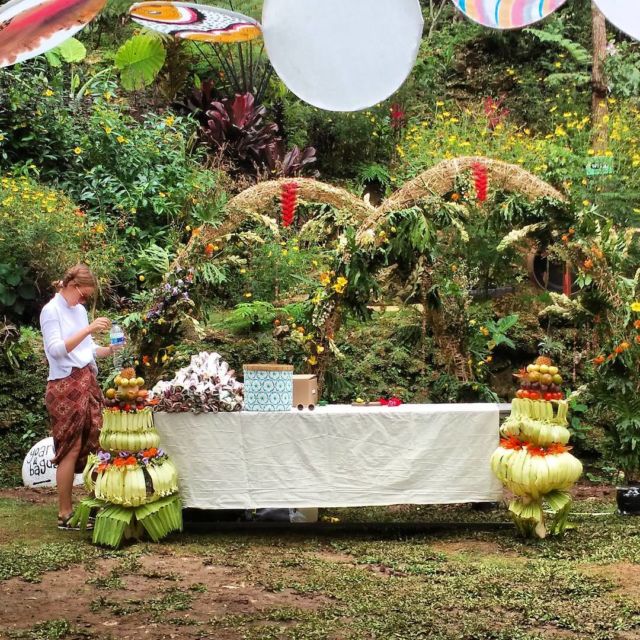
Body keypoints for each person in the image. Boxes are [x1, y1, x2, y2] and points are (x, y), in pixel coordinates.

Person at [39, 264, 118, 530]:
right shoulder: (51, 311)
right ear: (72, 286)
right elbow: (57, 350)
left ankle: (95, 505)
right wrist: (88, 329)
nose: (84, 300)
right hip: (64, 384)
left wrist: (109, 349)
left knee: (96, 442)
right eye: (83, 295)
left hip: (87, 379)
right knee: (69, 448)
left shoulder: (79, 310)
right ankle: (65, 514)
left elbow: (87, 349)